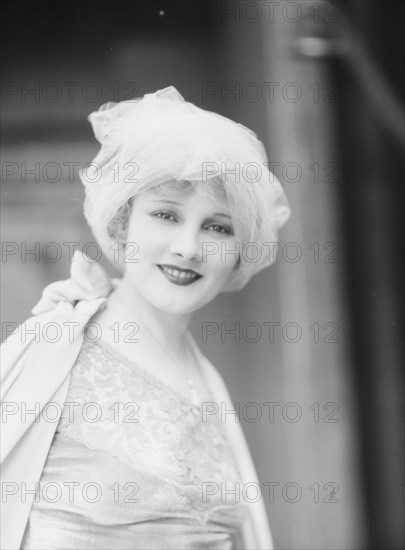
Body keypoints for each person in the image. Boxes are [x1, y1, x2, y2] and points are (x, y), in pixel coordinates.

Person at [1, 86, 291, 549]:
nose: (188, 248)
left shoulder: (209, 383)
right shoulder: (56, 345)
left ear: (240, 251)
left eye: (217, 226)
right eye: (165, 215)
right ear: (122, 223)